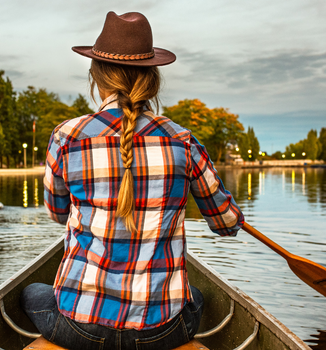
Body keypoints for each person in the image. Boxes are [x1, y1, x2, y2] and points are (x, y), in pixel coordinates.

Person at [21, 11, 244, 350]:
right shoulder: (183, 140)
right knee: (196, 296)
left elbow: (56, 212)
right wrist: (233, 216)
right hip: (160, 333)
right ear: (152, 79)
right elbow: (225, 224)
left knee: (32, 294)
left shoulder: (66, 136)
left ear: (97, 77)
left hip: (81, 330)